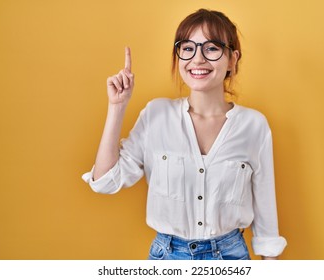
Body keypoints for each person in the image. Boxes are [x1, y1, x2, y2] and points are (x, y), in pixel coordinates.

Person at [82, 8, 287, 260]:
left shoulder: (254, 125)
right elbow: (105, 181)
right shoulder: (156, 115)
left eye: (211, 48)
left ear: (232, 60)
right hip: (167, 257)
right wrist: (117, 107)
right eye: (187, 48)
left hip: (230, 257)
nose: (197, 59)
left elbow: (266, 217)